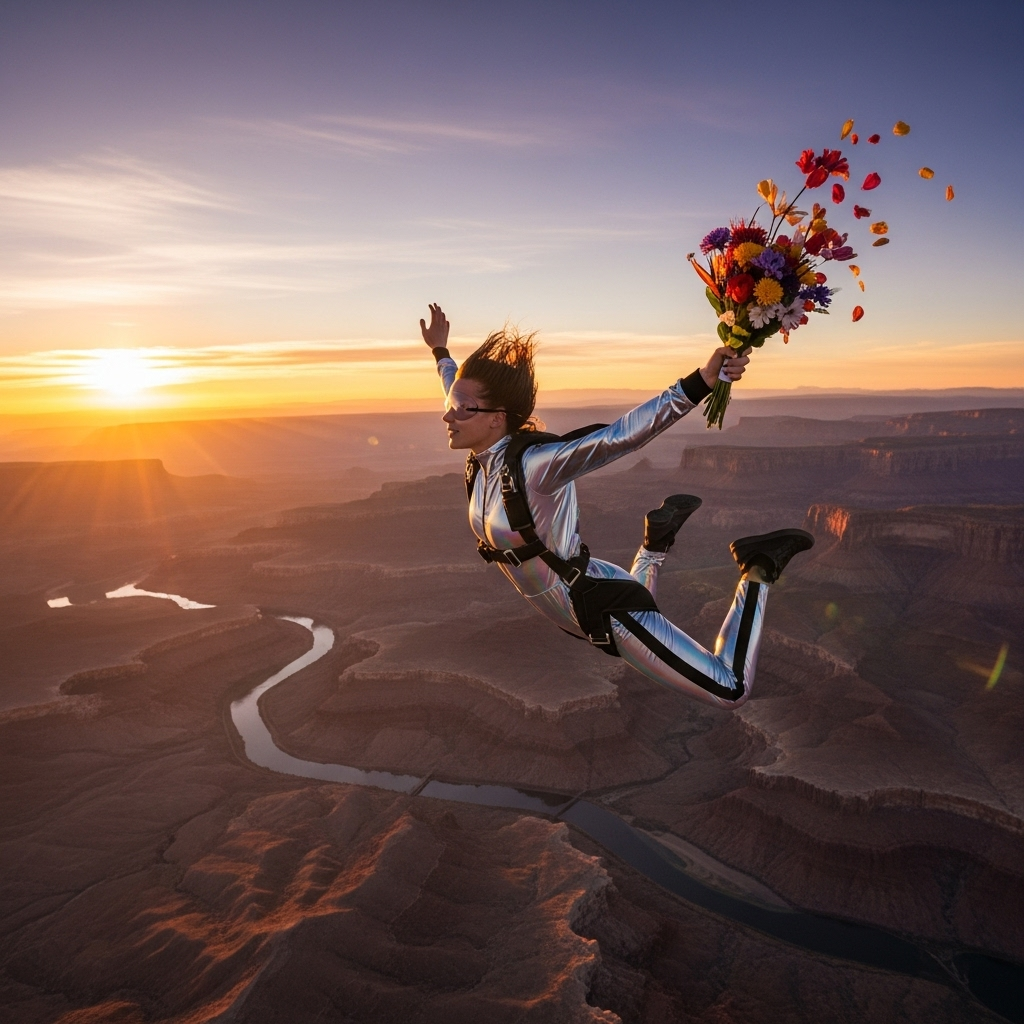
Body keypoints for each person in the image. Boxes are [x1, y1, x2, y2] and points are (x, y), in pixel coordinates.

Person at [419, 303, 813, 709]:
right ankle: (655, 543)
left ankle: (758, 568)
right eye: (451, 405)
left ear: (496, 418)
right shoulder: (481, 456)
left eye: (461, 409)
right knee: (637, 601)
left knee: (729, 689)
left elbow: (619, 437)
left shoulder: (535, 467)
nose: (448, 416)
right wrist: (440, 352)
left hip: (600, 606)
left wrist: (702, 382)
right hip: (587, 595)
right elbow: (456, 386)